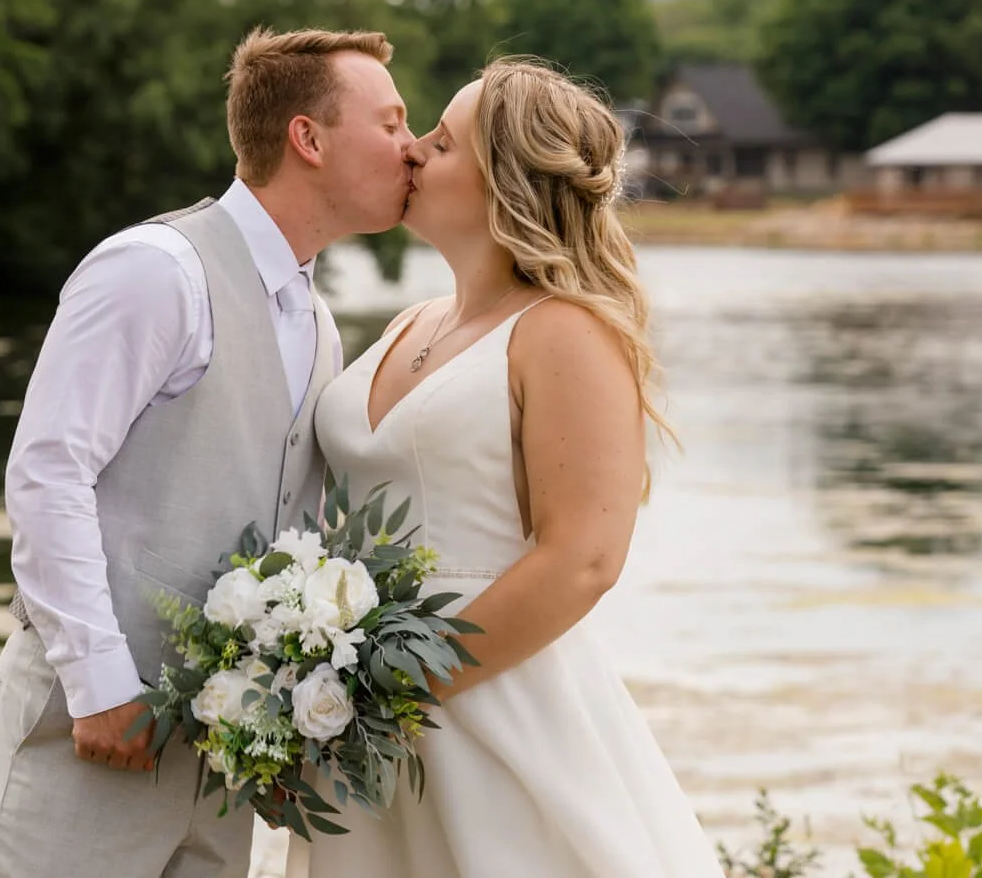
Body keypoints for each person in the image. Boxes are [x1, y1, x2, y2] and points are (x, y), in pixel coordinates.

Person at [0, 27, 414, 878]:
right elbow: (46, 473)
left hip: (223, 764)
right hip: (91, 735)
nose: (412, 147)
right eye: (392, 122)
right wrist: (100, 684)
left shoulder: (316, 322)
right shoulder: (155, 271)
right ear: (309, 138)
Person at [306, 57, 724, 877]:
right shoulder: (411, 321)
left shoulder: (564, 330)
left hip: (486, 704)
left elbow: (584, 560)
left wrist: (399, 684)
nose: (414, 152)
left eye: (444, 142)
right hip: (361, 716)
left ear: (506, 183)